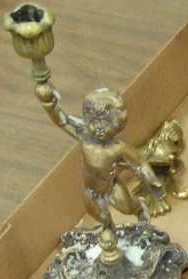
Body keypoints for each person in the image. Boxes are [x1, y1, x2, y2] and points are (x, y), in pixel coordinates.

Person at [39, 88, 166, 262]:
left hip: (112, 186)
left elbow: (140, 164)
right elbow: (63, 121)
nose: (99, 128)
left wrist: (155, 185)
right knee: (102, 217)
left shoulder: (118, 147)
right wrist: (49, 105)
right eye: (94, 122)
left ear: (117, 124)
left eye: (106, 123)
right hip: (90, 190)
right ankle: (109, 232)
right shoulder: (84, 136)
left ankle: (138, 205)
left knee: (126, 207)